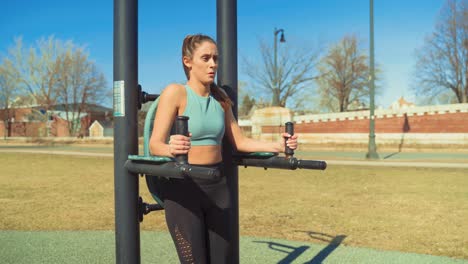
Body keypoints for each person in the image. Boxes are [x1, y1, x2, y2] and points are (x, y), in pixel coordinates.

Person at [149, 34, 298, 264]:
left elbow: (240, 142)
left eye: (216, 59)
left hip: (218, 188)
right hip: (184, 189)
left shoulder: (221, 98)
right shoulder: (175, 92)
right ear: (188, 61)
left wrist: (277, 145)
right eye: (206, 58)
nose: (213, 65)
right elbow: (154, 144)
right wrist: (171, 147)